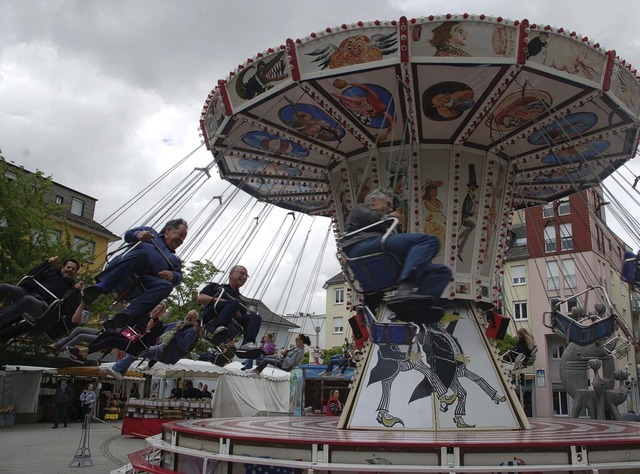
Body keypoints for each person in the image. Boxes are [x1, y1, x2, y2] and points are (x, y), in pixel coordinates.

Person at [340, 188, 451, 317]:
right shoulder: (360, 209)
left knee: (442, 271)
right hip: (362, 247)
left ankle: (418, 305)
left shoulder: (382, 228)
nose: (389, 209)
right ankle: (406, 287)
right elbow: (375, 218)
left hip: (380, 257)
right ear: (373, 201)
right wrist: (390, 217)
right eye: (387, 204)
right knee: (429, 241)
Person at [81, 218, 187, 329]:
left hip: (146, 280)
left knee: (166, 286)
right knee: (142, 255)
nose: (181, 240)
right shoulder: (150, 233)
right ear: (168, 231)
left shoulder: (174, 260)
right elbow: (128, 235)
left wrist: (173, 275)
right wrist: (138, 235)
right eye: (180, 235)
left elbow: (179, 277)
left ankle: (127, 315)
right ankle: (100, 287)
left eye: (183, 238)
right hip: (130, 267)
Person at [102, 309, 200, 380]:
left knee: (138, 350)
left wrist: (178, 331)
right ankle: (120, 371)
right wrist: (153, 324)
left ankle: (118, 369)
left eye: (192, 316)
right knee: (135, 349)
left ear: (195, 320)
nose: (189, 317)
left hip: (165, 351)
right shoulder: (179, 323)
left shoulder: (191, 331)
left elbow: (182, 346)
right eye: (188, 314)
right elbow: (162, 327)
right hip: (158, 345)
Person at [0, 256, 80, 332]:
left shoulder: (72, 288)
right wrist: (47, 263)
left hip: (42, 305)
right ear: (63, 268)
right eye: (68, 267)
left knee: (28, 300)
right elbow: (31, 275)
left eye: (73, 269)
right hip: (29, 292)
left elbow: (67, 307)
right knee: (4, 287)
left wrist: (77, 292)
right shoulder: (53, 272)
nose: (70, 270)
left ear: (75, 273)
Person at [66, 302, 166, 362]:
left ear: (161, 314)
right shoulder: (143, 315)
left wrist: (148, 330)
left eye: (159, 312)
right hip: (128, 336)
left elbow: (150, 342)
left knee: (111, 340)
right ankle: (85, 353)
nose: (156, 312)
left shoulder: (158, 325)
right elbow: (129, 322)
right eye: (155, 309)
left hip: (137, 346)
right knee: (107, 334)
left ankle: (82, 351)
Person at [197, 265, 261, 351]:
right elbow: (200, 299)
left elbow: (243, 319)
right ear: (231, 274)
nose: (244, 277)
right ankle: (220, 328)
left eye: (246, 276)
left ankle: (247, 343)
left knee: (255, 317)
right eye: (242, 273)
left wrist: (238, 313)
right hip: (212, 315)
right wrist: (220, 300)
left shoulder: (242, 301)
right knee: (234, 303)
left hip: (232, 321)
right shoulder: (216, 287)